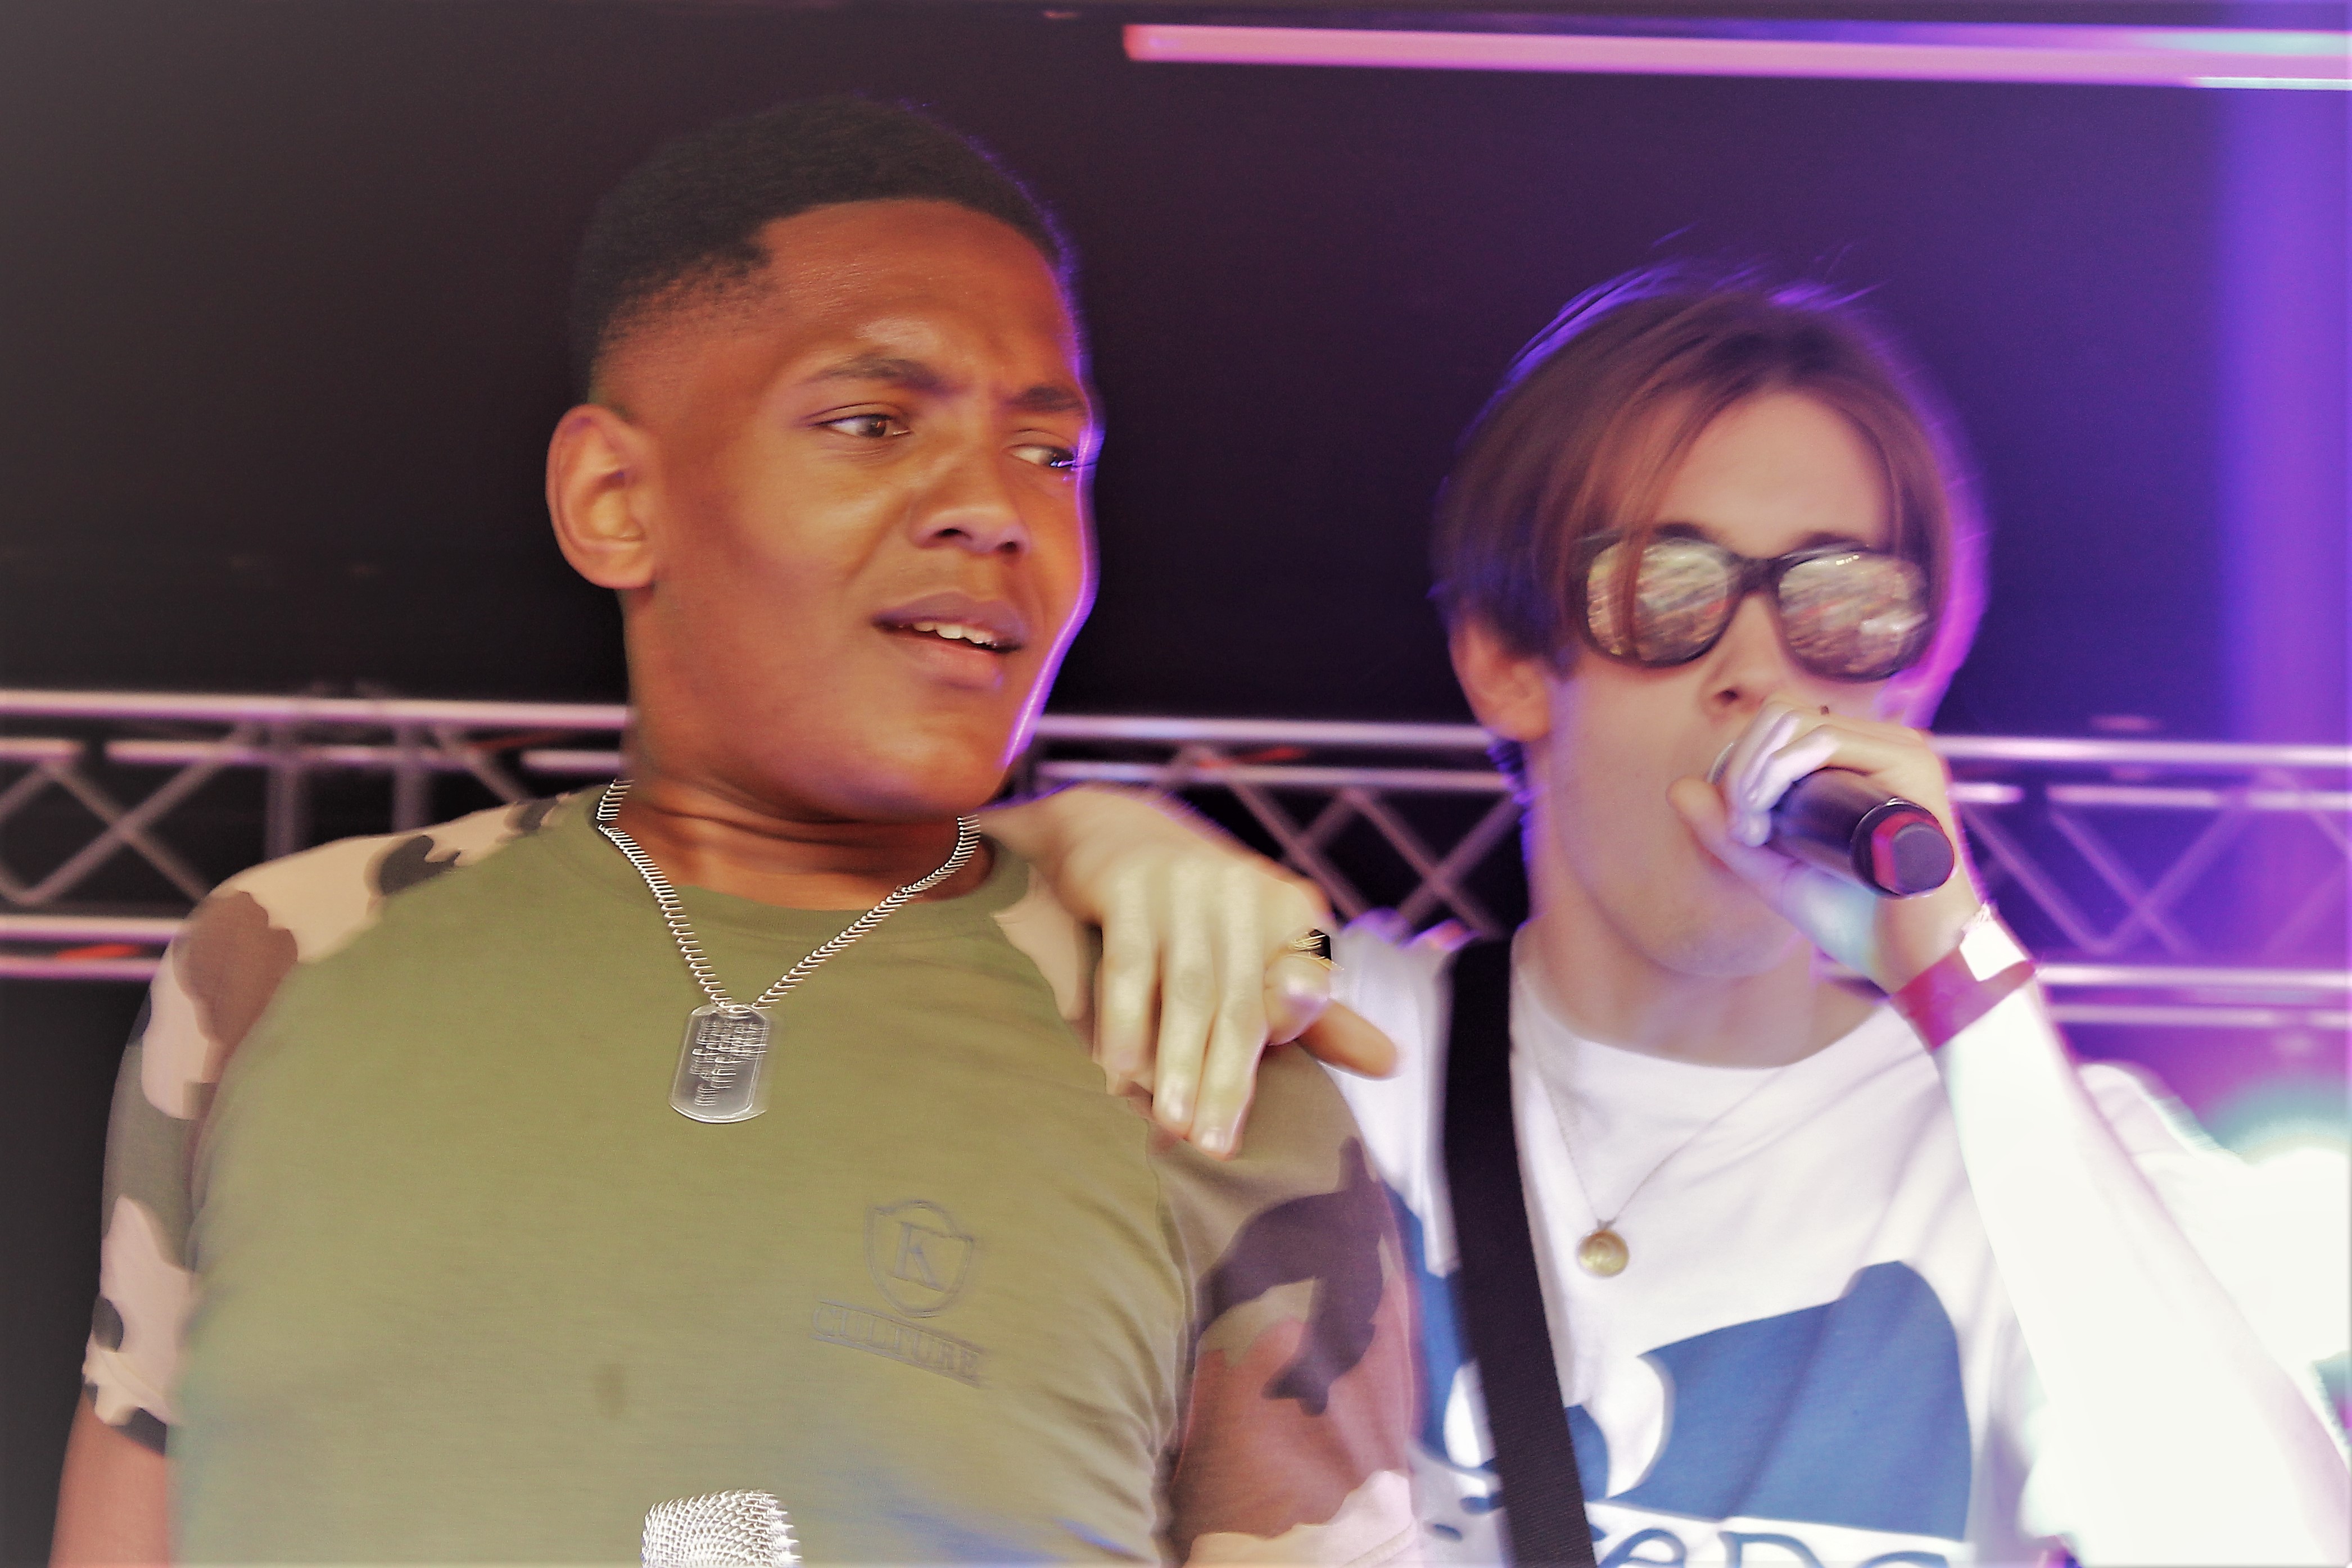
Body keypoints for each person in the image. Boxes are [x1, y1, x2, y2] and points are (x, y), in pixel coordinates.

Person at [52, 99, 1419, 1565]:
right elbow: (133, 1507)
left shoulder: (1200, 1050)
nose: (992, 508)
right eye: (872, 422)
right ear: (614, 499)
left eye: (1049, 452)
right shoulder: (279, 956)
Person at [1133, 270, 2351, 1565]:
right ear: (1505, 661)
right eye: (1666, 591)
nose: (1759, 670)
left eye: (1842, 606)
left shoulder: (2040, 1145)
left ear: (1912, 682)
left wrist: (1966, 995)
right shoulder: (1335, 1032)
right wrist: (1087, 832)